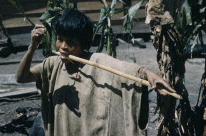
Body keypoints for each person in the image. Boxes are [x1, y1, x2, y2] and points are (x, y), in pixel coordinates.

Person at [16, 9, 175, 136]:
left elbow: (130, 70)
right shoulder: (52, 64)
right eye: (60, 39)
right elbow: (22, 77)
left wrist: (150, 75)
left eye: (71, 43)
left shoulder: (98, 61)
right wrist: (32, 47)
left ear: (83, 44)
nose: (63, 47)